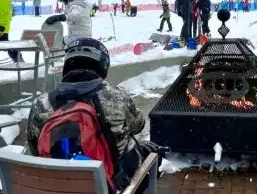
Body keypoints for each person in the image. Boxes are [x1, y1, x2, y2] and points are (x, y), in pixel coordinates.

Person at [26, 38, 159, 191]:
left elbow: (34, 148)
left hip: (56, 185)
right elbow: (138, 125)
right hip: (107, 184)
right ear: (102, 66)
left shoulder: (40, 103)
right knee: (146, 150)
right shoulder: (116, 96)